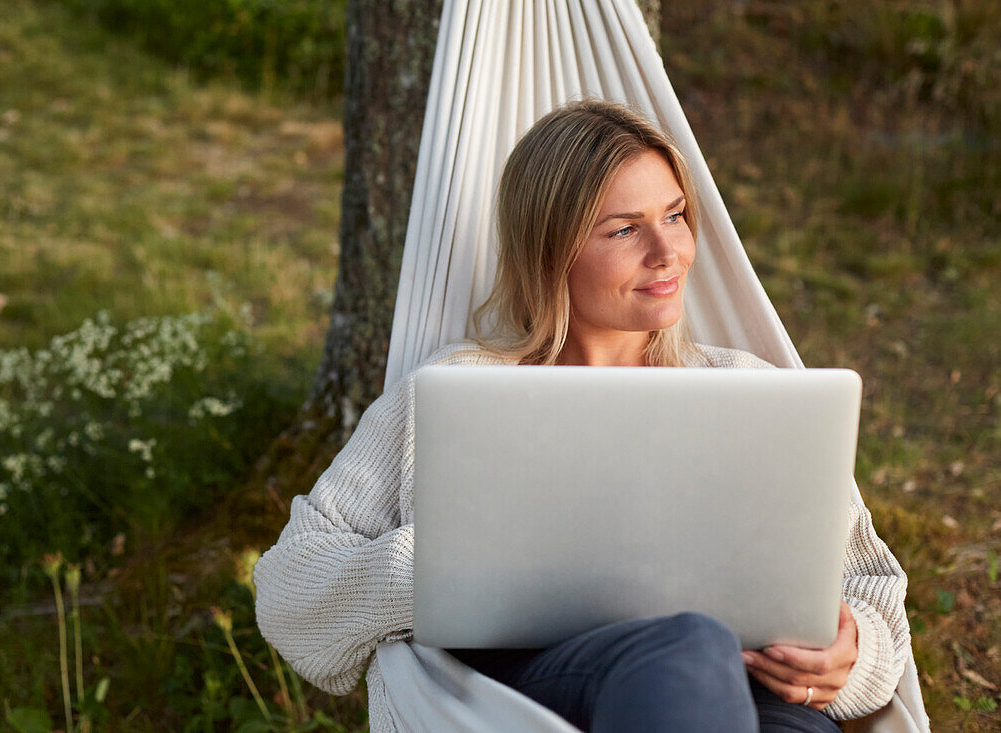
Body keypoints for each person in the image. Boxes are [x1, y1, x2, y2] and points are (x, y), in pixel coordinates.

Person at [253, 99, 912, 732]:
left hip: (762, 699)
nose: (669, 251)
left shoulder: (750, 392)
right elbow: (290, 590)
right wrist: (445, 566)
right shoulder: (460, 393)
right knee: (687, 646)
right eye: (625, 229)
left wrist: (849, 658)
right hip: (547, 690)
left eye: (676, 215)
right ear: (550, 251)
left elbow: (871, 593)